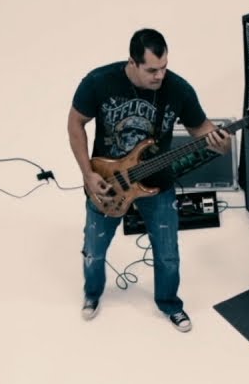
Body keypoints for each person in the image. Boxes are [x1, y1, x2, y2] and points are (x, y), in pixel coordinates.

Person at [67, 28, 231, 332]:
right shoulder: (99, 82)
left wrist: (221, 143)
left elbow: (202, 128)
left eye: (164, 67)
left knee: (168, 254)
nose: (160, 75)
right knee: (94, 249)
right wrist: (88, 174)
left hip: (157, 182)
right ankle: (92, 294)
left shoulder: (178, 89)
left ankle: (169, 304)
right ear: (132, 62)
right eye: (152, 70)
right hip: (108, 180)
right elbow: (75, 122)